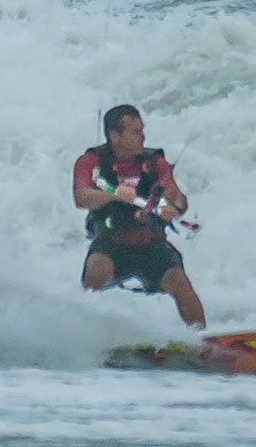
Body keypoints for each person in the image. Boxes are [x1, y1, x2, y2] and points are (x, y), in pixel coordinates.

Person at [74, 105, 205, 327]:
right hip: (111, 243)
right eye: (136, 132)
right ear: (115, 136)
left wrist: (175, 204)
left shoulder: (155, 163)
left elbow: (178, 200)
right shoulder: (90, 161)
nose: (142, 137)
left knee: (180, 283)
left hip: (150, 243)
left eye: (142, 130)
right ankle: (82, 331)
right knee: (95, 271)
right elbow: (81, 196)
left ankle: (204, 338)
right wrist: (115, 195)